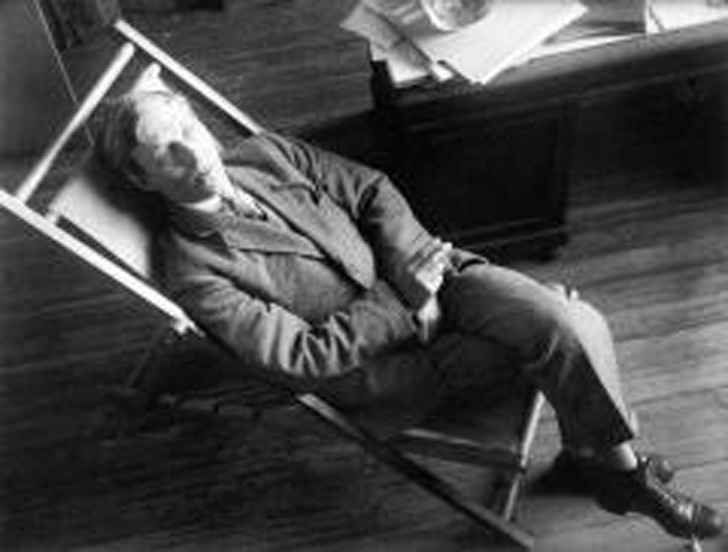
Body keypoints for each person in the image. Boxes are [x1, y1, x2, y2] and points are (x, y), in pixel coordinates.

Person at [95, 65, 723, 541]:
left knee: (561, 320)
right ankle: (618, 470)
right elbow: (301, 358)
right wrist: (404, 300)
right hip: (387, 367)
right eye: (165, 151)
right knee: (565, 320)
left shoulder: (265, 153)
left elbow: (372, 191)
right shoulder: (195, 270)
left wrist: (413, 278)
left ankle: (609, 467)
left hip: (433, 279)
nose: (192, 154)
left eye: (188, 130)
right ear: (141, 179)